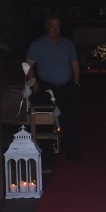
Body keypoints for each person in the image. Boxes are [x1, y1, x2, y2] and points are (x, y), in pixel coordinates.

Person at [26, 15, 82, 161]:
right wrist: (35, 85)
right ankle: (46, 154)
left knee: (70, 119)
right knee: (45, 120)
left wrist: (75, 83)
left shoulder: (68, 44)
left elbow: (75, 64)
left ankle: (71, 152)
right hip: (46, 87)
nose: (55, 30)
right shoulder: (37, 44)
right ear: (46, 26)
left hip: (66, 87)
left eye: (57, 27)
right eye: (52, 26)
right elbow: (27, 66)